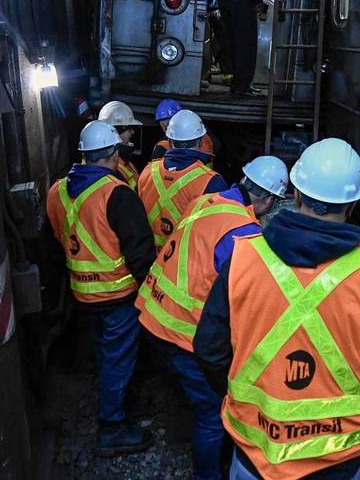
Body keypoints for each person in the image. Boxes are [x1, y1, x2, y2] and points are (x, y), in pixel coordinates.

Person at [194, 138, 360, 480]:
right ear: (354, 203)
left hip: (255, 453)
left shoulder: (243, 259)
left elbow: (209, 349)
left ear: (294, 194)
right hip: (337, 461)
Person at [135, 156, 290, 480]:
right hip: (182, 330)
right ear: (267, 199)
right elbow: (244, 297)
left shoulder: (206, 201)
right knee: (211, 412)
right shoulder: (244, 233)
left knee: (189, 392)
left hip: (152, 313)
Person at [45, 121, 156, 456]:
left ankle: (107, 401)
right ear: (113, 154)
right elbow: (140, 254)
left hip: (81, 294)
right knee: (118, 359)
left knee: (104, 353)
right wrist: (151, 294)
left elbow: (55, 243)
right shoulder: (117, 194)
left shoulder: (57, 191)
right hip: (117, 296)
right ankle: (112, 428)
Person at [137, 110, 228, 254]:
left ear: (170, 141)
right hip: (184, 263)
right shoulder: (211, 181)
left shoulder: (147, 172)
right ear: (200, 141)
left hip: (149, 260)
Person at [98, 100, 142, 186]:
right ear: (116, 131)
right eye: (129, 128)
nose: (132, 132)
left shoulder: (123, 160)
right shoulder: (109, 166)